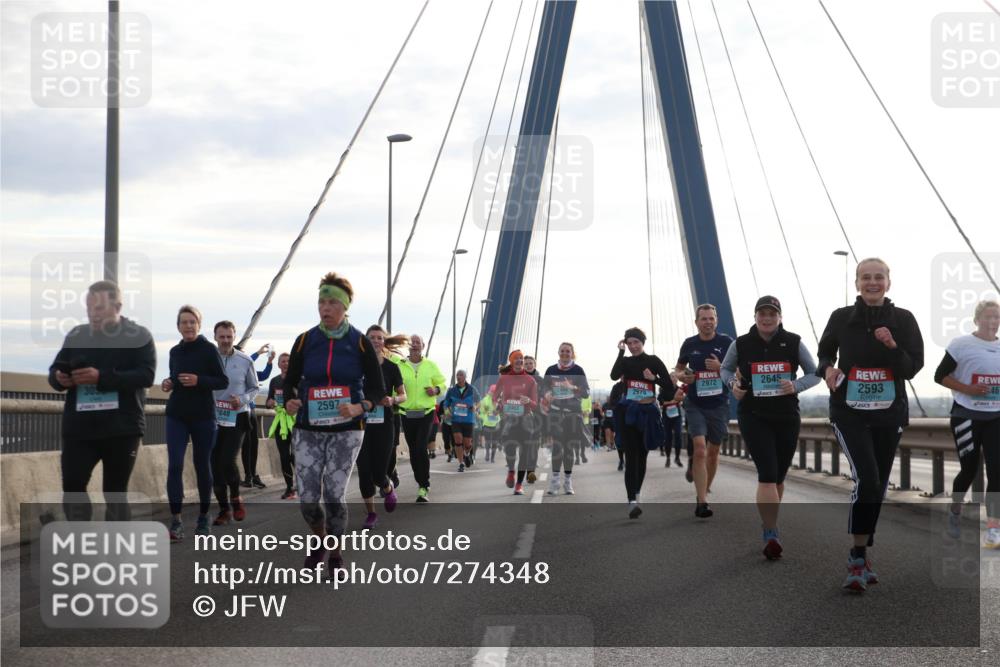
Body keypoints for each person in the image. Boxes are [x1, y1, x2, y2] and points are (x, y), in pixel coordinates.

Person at [817, 257, 923, 591]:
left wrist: (891, 345)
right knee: (868, 477)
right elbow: (824, 355)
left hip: (889, 413)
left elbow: (912, 367)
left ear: (888, 282)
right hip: (848, 411)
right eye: (866, 277)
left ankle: (863, 552)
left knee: (877, 485)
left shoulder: (902, 319)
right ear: (857, 283)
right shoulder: (841, 317)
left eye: (878, 277)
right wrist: (827, 371)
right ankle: (857, 557)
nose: (872, 282)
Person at [283, 272, 386, 569]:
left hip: (347, 429)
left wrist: (360, 406)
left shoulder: (360, 343)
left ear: (344, 307)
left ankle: (336, 552)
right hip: (308, 428)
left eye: (331, 303)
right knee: (308, 499)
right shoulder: (304, 341)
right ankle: (319, 537)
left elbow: (378, 389)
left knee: (333, 493)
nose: (324, 308)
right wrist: (289, 400)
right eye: (321, 302)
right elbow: (289, 383)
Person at [48, 280, 156, 522]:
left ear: (117, 306)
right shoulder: (78, 334)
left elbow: (146, 375)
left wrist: (101, 377)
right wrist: (59, 378)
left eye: (98, 308)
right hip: (80, 428)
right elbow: (55, 369)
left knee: (115, 492)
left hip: (122, 428)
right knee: (73, 487)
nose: (92, 314)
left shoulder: (138, 336)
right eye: (88, 308)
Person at [721, 296, 820, 559]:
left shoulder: (794, 342)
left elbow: (815, 372)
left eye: (772, 314)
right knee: (766, 473)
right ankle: (771, 531)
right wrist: (733, 385)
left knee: (778, 476)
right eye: (762, 313)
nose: (767, 318)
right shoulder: (740, 344)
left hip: (786, 415)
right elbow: (725, 369)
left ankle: (770, 523)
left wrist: (796, 385)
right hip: (753, 415)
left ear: (780, 317)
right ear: (755, 316)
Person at [934, 300, 1000, 549]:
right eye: (988, 317)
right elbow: (939, 376)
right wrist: (969, 389)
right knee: (969, 470)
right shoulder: (961, 345)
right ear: (977, 319)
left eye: (997, 317)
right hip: (967, 415)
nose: (993, 322)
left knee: (998, 473)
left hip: (996, 416)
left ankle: (993, 529)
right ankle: (955, 512)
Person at [162, 305, 229, 541]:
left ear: (199, 325)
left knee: (202, 466)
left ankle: (203, 515)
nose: (188, 326)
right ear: (178, 327)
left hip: (203, 416)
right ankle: (176, 521)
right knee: (175, 466)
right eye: (184, 322)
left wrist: (199, 380)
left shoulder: (209, 350)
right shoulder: (174, 352)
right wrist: (169, 382)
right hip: (176, 414)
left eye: (192, 322)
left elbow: (222, 380)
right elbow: (175, 376)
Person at [674, 304, 735, 518]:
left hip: (719, 404)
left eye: (711, 318)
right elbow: (678, 370)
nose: (707, 322)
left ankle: (704, 488)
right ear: (696, 322)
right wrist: (683, 377)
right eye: (703, 319)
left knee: (713, 451)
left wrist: (721, 368)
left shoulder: (727, 343)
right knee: (700, 448)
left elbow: (739, 371)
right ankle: (702, 501)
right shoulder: (690, 344)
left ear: (716, 321)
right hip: (695, 403)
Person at [611, 327, 669, 518]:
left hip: (648, 415)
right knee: (631, 457)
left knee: (642, 457)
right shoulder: (625, 361)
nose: (633, 346)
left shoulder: (653, 360)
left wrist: (655, 379)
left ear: (643, 342)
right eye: (629, 343)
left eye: (636, 342)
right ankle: (632, 502)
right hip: (629, 413)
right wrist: (620, 352)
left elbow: (669, 385)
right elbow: (613, 375)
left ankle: (636, 493)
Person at [357, 325, 407, 529]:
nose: (376, 341)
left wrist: (393, 400)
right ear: (366, 341)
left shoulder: (391, 367)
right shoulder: (357, 366)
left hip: (385, 424)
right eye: (372, 337)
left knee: (379, 472)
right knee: (363, 471)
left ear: (384, 342)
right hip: (360, 425)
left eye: (379, 338)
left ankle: (387, 487)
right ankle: (371, 514)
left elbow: (404, 396)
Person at [211, 321, 259, 525]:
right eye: (221, 337)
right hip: (213, 417)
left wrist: (242, 399)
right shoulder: (208, 359)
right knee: (214, 464)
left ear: (234, 336)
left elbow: (255, 387)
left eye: (229, 337)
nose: (225, 340)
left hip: (237, 416)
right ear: (215, 337)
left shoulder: (245, 360)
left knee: (227, 460)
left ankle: (236, 499)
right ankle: (224, 510)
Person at [395, 334, 447, 502]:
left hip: (426, 412)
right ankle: (421, 482)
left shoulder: (430, 365)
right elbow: (391, 385)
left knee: (420, 448)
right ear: (408, 346)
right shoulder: (399, 365)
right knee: (413, 451)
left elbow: (443, 383)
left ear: (423, 346)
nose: (415, 344)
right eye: (412, 342)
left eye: (418, 342)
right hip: (406, 413)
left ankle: (424, 486)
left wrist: (436, 390)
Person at [543, 343, 590, 495]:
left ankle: (568, 481)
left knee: (569, 448)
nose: (565, 354)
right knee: (557, 447)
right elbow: (543, 387)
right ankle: (555, 481)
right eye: (562, 351)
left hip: (572, 414)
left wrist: (573, 387)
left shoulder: (578, 370)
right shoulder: (551, 370)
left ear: (572, 353)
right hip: (555, 413)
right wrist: (547, 393)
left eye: (567, 351)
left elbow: (586, 393)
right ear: (558, 352)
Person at [492, 350, 540, 495]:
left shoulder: (531, 380)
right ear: (512, 362)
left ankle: (519, 485)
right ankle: (511, 470)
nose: (519, 361)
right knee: (510, 449)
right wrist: (497, 405)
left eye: (521, 359)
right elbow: (494, 398)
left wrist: (528, 401)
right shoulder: (504, 378)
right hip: (509, 419)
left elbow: (534, 404)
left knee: (524, 453)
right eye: (516, 359)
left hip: (525, 418)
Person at [241, 344, 275, 489]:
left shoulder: (250, 372)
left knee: (253, 444)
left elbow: (265, 375)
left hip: (252, 411)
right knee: (245, 445)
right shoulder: (235, 371)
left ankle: (253, 474)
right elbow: (247, 360)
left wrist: (269, 362)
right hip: (240, 412)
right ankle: (248, 475)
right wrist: (258, 353)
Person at [266, 352, 297, 499]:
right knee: (284, 456)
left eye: (288, 361)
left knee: (296, 456)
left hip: (296, 422)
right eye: (283, 361)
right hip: (280, 421)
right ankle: (289, 487)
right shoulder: (275, 381)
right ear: (278, 365)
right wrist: (270, 403)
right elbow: (268, 401)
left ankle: (304, 483)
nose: (286, 363)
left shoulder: (298, 380)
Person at [444, 370, 481, 472]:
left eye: (461, 375)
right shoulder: (451, 390)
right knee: (458, 439)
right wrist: (447, 410)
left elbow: (479, 401)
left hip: (469, 420)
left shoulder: (472, 389)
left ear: (465, 377)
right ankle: (461, 463)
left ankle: (467, 454)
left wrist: (475, 407)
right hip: (456, 419)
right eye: (457, 375)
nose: (458, 377)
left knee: (467, 443)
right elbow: (446, 402)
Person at [523, 355, 547, 478]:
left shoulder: (540, 379)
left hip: (537, 414)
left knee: (534, 443)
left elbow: (543, 395)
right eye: (526, 363)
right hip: (522, 415)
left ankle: (531, 471)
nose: (528, 365)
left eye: (530, 363)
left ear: (535, 364)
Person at [659, 387, 683, 468]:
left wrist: (677, 402)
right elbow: (661, 403)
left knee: (678, 435)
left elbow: (682, 399)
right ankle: (668, 458)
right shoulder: (663, 390)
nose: (673, 379)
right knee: (668, 437)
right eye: (672, 377)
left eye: (675, 377)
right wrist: (672, 402)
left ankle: (677, 457)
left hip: (677, 416)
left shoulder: (679, 389)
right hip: (667, 416)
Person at [479, 386, 501, 462]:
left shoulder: (499, 401)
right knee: (488, 441)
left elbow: (502, 410)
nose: (493, 394)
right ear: (490, 392)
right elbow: (481, 413)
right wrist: (485, 417)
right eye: (492, 392)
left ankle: (493, 458)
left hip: (496, 423)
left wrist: (498, 411)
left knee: (495, 442)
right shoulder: (484, 400)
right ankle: (487, 454)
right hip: (487, 423)